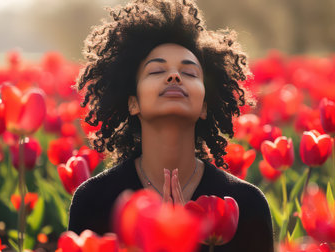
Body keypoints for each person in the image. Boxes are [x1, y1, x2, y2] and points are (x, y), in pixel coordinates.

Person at [68, 0, 274, 251]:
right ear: (133, 103)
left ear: (205, 106)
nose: (174, 76)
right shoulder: (95, 201)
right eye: (156, 71)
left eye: (189, 73)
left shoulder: (245, 204)